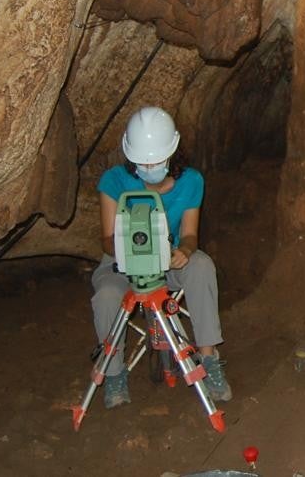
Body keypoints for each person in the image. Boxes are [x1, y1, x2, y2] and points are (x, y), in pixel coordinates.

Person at [90, 106, 231, 408]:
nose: (150, 165)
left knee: (202, 266)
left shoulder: (191, 181)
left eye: (156, 160)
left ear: (172, 153)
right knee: (105, 296)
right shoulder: (113, 181)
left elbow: (190, 234)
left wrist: (185, 251)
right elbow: (107, 240)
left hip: (168, 261)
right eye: (143, 162)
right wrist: (132, 253)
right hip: (122, 263)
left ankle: (208, 360)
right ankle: (114, 375)